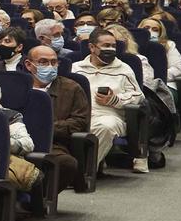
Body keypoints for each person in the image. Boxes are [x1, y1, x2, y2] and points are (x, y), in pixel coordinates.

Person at [71, 29, 147, 174]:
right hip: (80, 114)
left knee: (105, 126)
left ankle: (84, 172)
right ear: (92, 47)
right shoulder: (76, 68)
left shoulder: (124, 69)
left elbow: (138, 96)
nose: (111, 49)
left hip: (110, 114)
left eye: (113, 46)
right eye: (106, 45)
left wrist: (115, 100)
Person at [26, 44, 89, 193]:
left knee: (66, 163)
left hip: (53, 143)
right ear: (29, 65)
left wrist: (47, 129)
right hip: (17, 141)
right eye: (43, 62)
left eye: (54, 62)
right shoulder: (19, 86)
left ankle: (39, 200)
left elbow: (79, 122)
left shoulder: (71, 88)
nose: (50, 66)